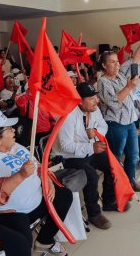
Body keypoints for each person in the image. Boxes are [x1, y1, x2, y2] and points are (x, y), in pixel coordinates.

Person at [0, 111, 73, 256]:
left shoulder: (15, 146)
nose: (13, 130)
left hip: (38, 199)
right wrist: (21, 175)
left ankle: (44, 241)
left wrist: (47, 181)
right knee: (22, 245)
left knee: (64, 196)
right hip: (13, 213)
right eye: (8, 129)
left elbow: (38, 166)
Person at [52, 82, 128, 230]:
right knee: (91, 176)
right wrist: (91, 146)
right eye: (92, 98)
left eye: (96, 97)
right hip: (67, 157)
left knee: (114, 163)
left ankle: (109, 200)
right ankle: (94, 213)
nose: (97, 101)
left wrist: (94, 130)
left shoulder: (93, 109)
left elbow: (103, 126)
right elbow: (65, 146)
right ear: (80, 101)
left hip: (88, 150)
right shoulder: (67, 115)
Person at [97, 35, 140, 192]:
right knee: (116, 157)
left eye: (117, 61)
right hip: (115, 126)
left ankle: (129, 181)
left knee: (133, 154)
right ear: (104, 65)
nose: (117, 64)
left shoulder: (120, 75)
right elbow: (113, 103)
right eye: (112, 62)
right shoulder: (103, 82)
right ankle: (116, 188)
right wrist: (128, 87)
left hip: (129, 122)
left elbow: (135, 60)